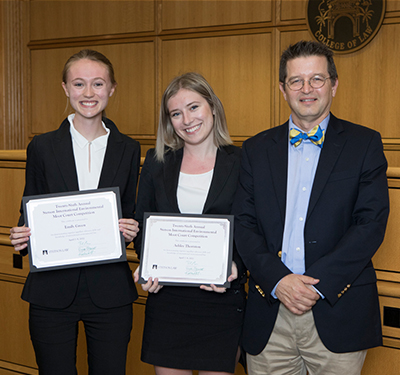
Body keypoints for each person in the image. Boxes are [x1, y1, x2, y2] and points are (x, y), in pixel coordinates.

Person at [232, 40, 390, 375]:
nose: (307, 89)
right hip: (269, 311)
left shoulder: (365, 144)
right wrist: (280, 281)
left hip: (338, 308)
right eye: (296, 81)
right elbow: (243, 225)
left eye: (317, 79)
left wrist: (316, 286)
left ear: (334, 84)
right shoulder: (255, 149)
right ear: (282, 88)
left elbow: (370, 223)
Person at [9, 49, 141, 375]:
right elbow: (32, 206)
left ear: (112, 89)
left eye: (98, 84)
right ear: (65, 88)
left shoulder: (129, 148)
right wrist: (21, 233)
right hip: (51, 290)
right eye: (79, 84)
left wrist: (132, 228)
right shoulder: (41, 146)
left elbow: (132, 210)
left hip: (110, 291)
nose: (88, 93)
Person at [133, 72, 247, 375]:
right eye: (176, 113)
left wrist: (237, 264)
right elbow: (143, 224)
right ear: (169, 121)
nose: (187, 119)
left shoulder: (243, 161)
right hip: (168, 300)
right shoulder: (157, 163)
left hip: (221, 300)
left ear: (212, 106)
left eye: (194, 107)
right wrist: (148, 265)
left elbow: (255, 226)